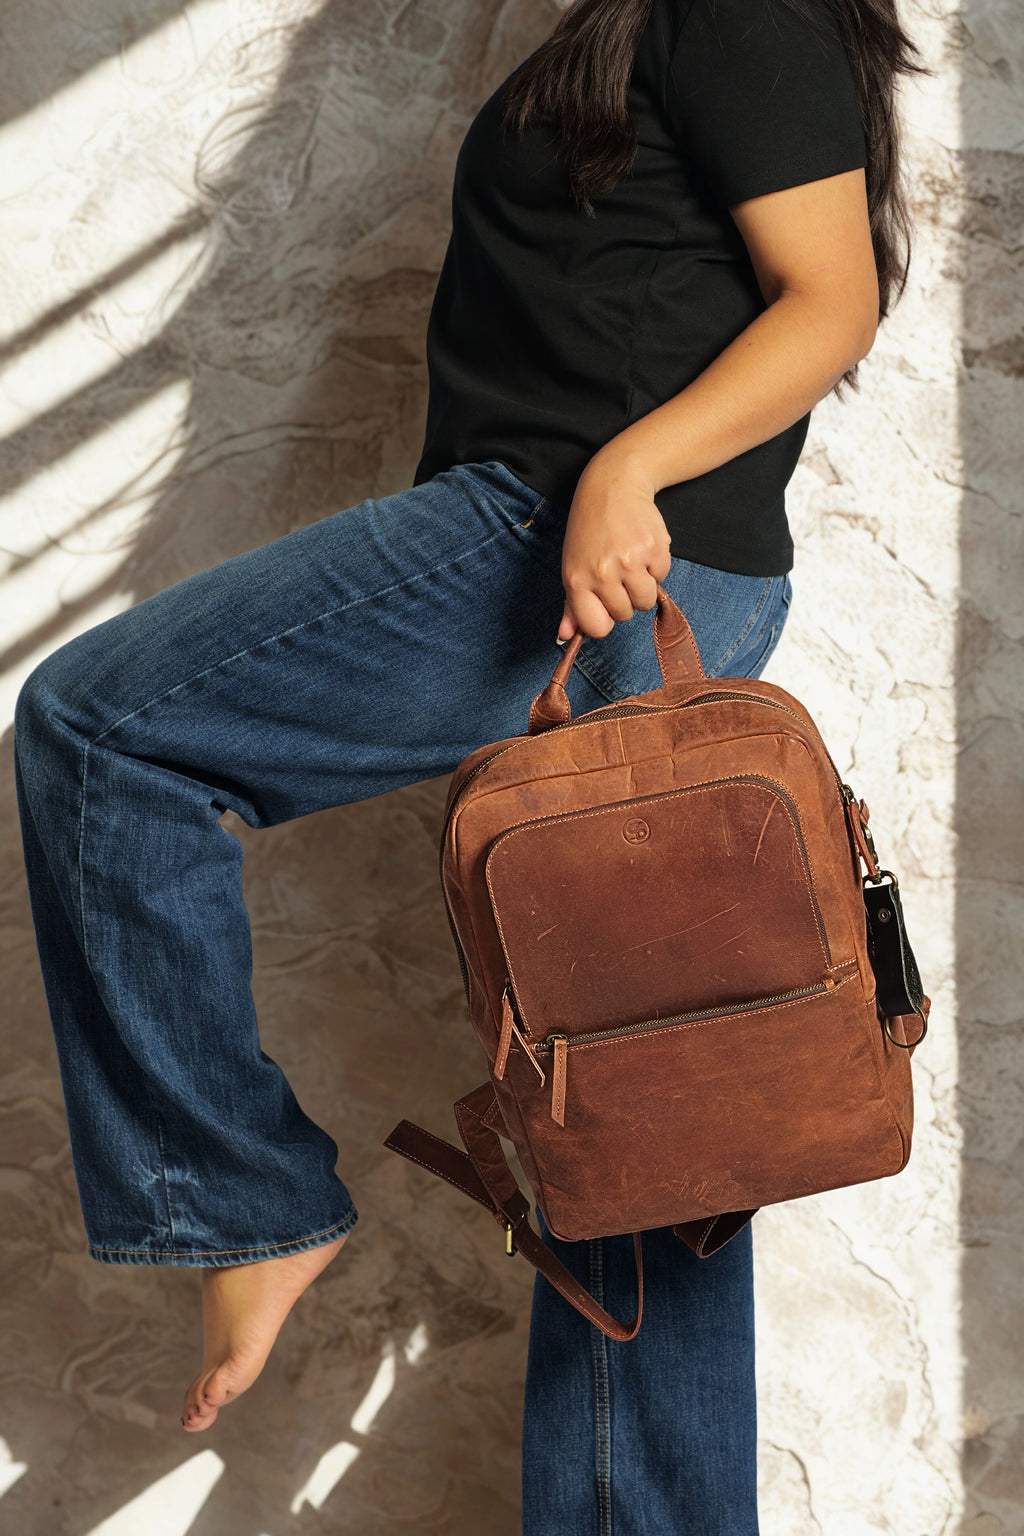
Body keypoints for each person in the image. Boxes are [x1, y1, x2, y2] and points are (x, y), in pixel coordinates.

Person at [13, 0, 919, 1528]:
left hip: (571, 545)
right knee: (645, 1107)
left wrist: (627, 468)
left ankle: (240, 1196)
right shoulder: (653, 21)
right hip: (616, 559)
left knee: (102, 729)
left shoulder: (737, 8)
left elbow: (831, 300)